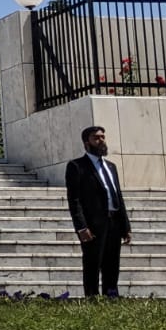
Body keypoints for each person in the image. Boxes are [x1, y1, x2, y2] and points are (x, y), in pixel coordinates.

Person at [65, 126, 131, 297]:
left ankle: (111, 297)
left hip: (114, 223)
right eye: (96, 138)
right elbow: (74, 200)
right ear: (87, 143)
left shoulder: (111, 166)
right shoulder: (77, 166)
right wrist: (81, 227)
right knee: (93, 264)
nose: (101, 141)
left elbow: (118, 195)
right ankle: (92, 299)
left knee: (112, 264)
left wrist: (125, 226)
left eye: (103, 137)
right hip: (93, 225)